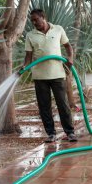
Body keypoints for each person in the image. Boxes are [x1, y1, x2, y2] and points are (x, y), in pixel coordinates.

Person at [22, 9, 77, 143]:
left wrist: (70, 57)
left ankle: (70, 132)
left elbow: (68, 46)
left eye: (36, 19)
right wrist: (25, 66)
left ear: (43, 17)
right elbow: (28, 56)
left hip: (58, 74)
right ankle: (51, 134)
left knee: (62, 104)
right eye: (32, 21)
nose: (34, 23)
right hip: (40, 76)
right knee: (44, 106)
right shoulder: (30, 35)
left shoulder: (58, 29)